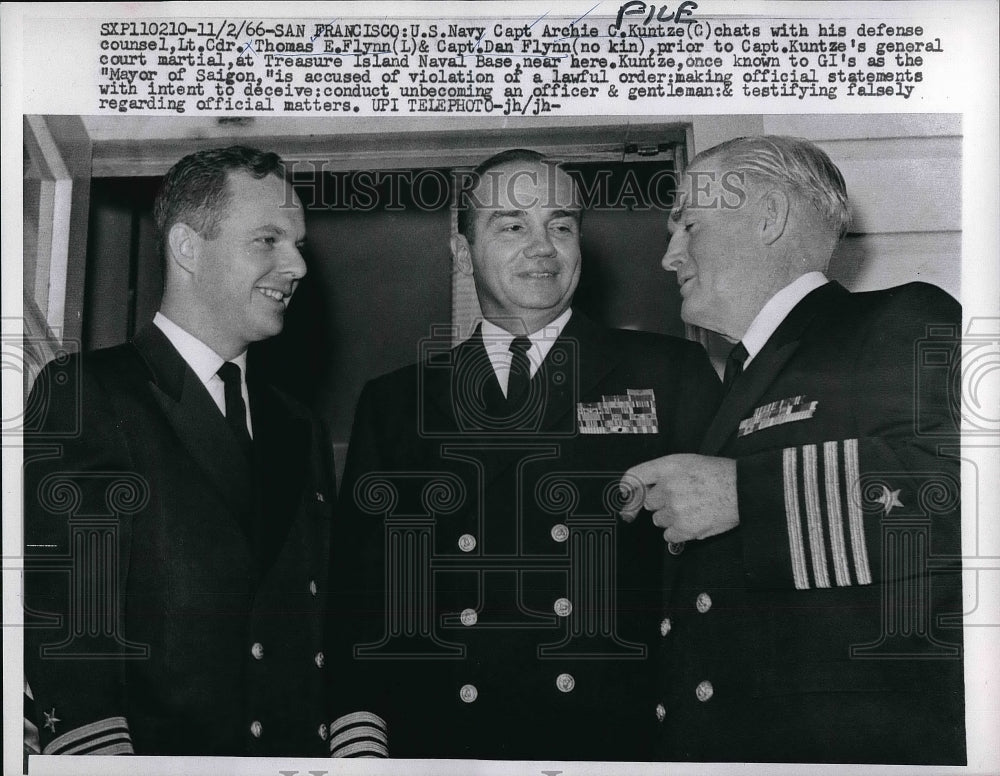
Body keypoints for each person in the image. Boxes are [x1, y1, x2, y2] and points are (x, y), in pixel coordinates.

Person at [332, 149, 722, 760]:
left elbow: (714, 579)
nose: (543, 247)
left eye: (561, 226)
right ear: (462, 254)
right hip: (442, 742)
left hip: (613, 738)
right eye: (512, 226)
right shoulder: (395, 402)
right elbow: (359, 590)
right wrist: (361, 742)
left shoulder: (668, 374)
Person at [23, 146, 378, 758]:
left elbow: (331, 616)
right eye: (268, 240)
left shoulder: (301, 426)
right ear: (188, 247)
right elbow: (66, 619)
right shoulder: (88, 392)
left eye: (297, 244)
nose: (296, 265)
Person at [621, 135, 965, 764]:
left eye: (689, 226)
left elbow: (959, 496)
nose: (670, 257)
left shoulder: (898, 320)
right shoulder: (730, 383)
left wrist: (742, 494)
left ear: (770, 215)